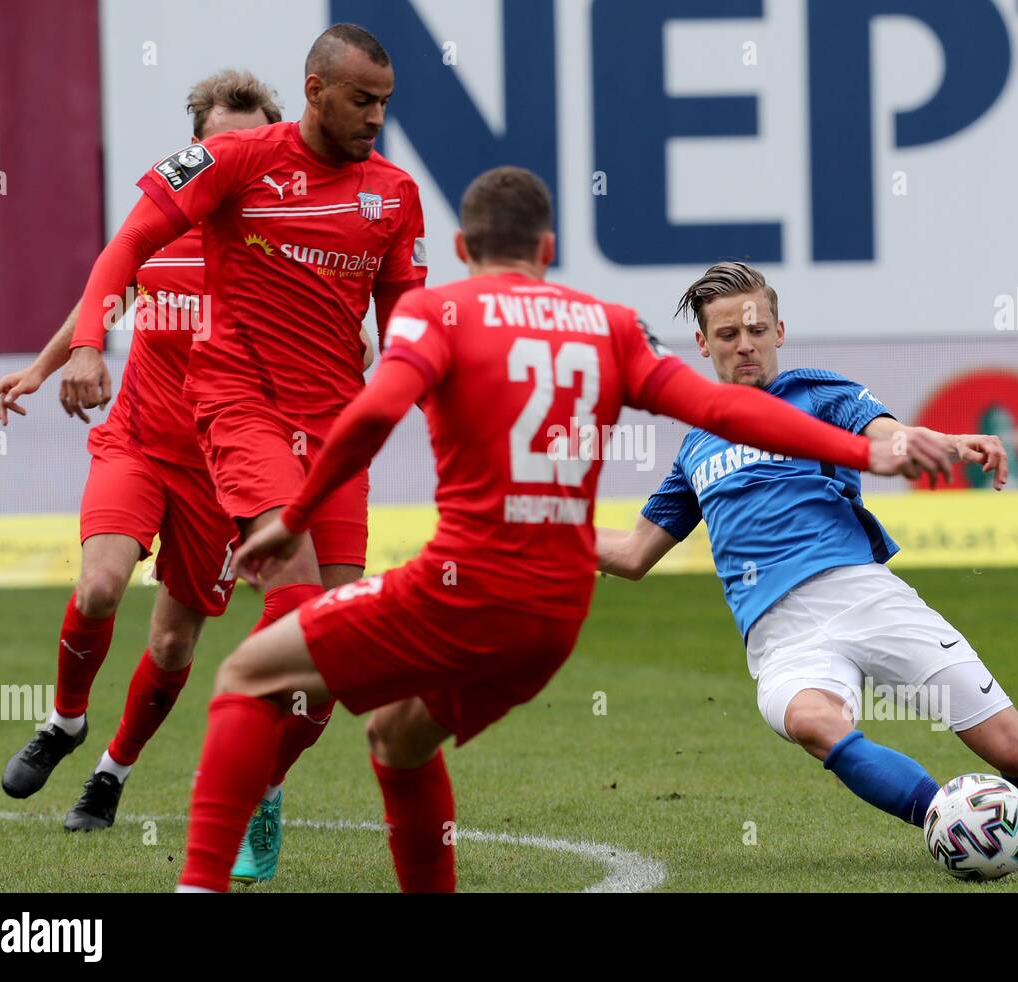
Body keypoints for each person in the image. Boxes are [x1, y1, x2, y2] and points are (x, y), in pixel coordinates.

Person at [172, 166, 954, 893]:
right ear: (548, 249)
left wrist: (297, 517)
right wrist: (864, 450)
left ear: (459, 248)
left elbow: (375, 411)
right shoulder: (607, 324)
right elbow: (724, 410)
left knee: (247, 674)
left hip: (464, 585)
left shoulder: (434, 310)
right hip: (552, 618)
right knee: (398, 740)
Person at [56, 23, 426, 881]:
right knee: (295, 607)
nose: (376, 117)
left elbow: (404, 308)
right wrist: (84, 345)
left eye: (386, 103)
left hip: (337, 432)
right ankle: (210, 738)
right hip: (241, 409)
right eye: (361, 100)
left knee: (337, 657)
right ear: (314, 88)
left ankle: (256, 773)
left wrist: (411, 380)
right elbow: (128, 245)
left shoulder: (395, 194)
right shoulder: (238, 160)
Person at [596, 261, 1018, 865]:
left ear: (779, 330)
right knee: (816, 723)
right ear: (704, 343)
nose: (746, 345)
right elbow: (631, 556)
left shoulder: (818, 392)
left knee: (1015, 752)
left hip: (866, 598)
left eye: (757, 330)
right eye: (728, 335)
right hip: (781, 639)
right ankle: (948, 821)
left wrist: (945, 443)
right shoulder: (696, 447)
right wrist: (543, 527)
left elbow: (887, 435)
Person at [0, 70, 284, 834]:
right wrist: (56, 361)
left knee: (172, 638)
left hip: (225, 474)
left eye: (249, 144)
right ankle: (65, 721)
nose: (233, 159)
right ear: (195, 150)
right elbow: (106, 285)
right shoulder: (167, 224)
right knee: (98, 588)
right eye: (220, 144)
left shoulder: (290, 242)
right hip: (140, 444)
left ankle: (111, 774)